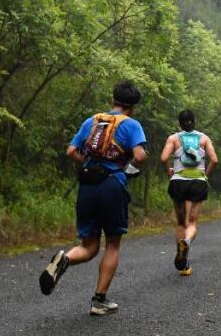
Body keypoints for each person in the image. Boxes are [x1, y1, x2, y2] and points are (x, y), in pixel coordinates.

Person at [39, 80, 147, 316]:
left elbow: (70, 151)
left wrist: (88, 164)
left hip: (87, 186)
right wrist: (127, 165)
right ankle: (99, 301)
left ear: (113, 100)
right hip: (112, 185)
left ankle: (64, 259)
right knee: (113, 243)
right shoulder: (131, 124)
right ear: (132, 106)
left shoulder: (92, 121)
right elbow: (139, 155)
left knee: (88, 245)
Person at [160, 110, 218, 276]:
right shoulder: (204, 138)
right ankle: (187, 241)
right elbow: (215, 159)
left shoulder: (173, 138)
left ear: (179, 123)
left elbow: (164, 158)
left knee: (180, 223)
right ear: (195, 121)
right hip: (198, 182)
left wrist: (169, 172)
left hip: (178, 182)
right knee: (192, 223)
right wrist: (205, 175)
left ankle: (181, 256)